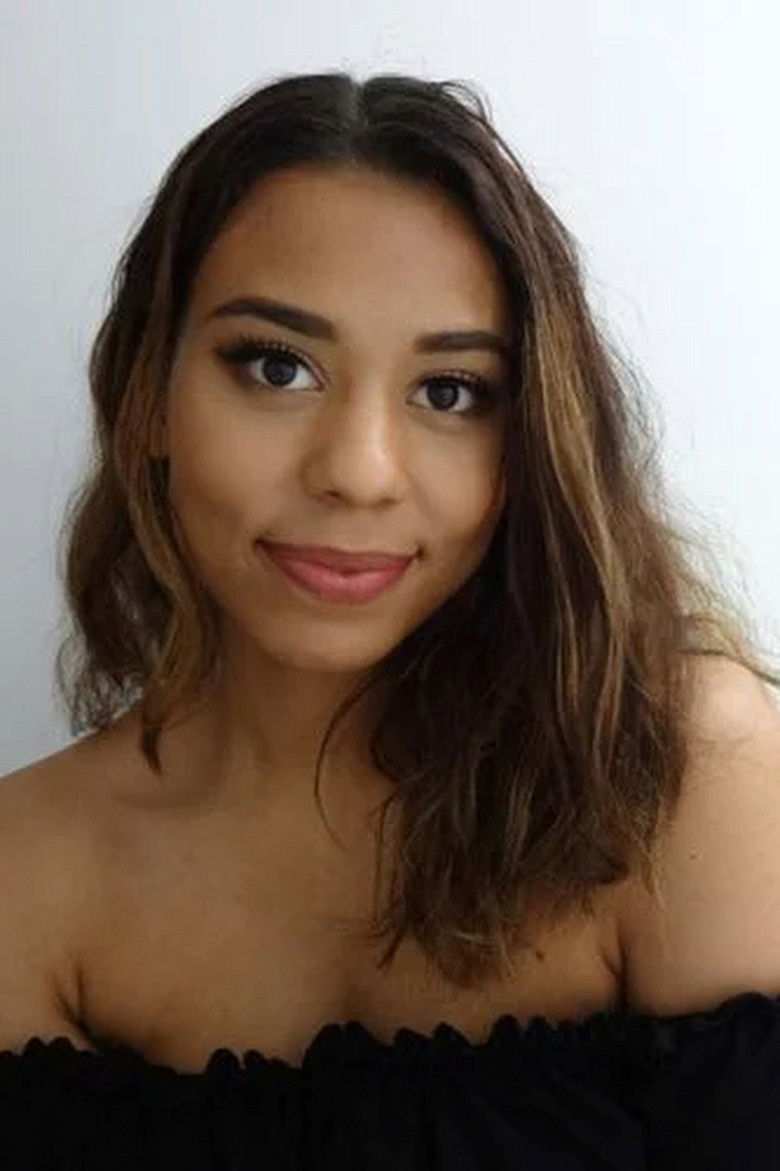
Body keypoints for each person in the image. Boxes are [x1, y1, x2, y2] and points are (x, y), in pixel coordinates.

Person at [2, 69, 780, 1168]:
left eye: (450, 391)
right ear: (147, 394)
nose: (360, 472)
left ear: (530, 439)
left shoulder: (680, 772)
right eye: (278, 367)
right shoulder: (24, 877)